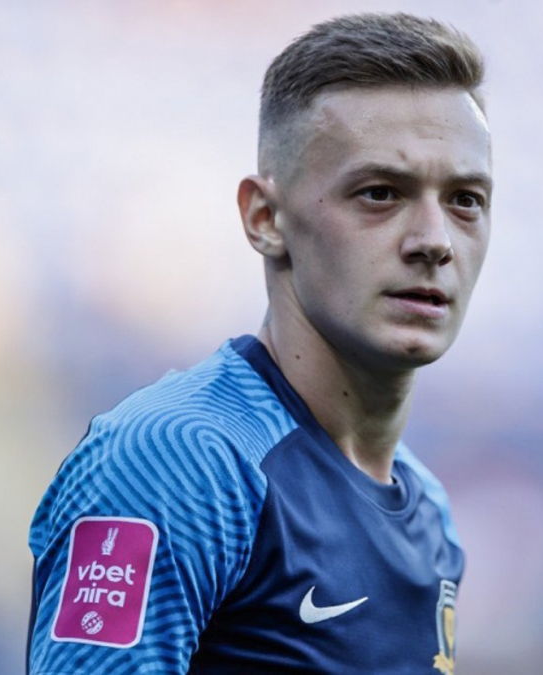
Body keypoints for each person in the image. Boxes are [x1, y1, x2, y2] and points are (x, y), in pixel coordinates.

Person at [27, 12, 492, 674]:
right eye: (381, 193)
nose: (435, 241)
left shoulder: (430, 515)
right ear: (266, 218)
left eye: (465, 200)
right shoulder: (178, 463)